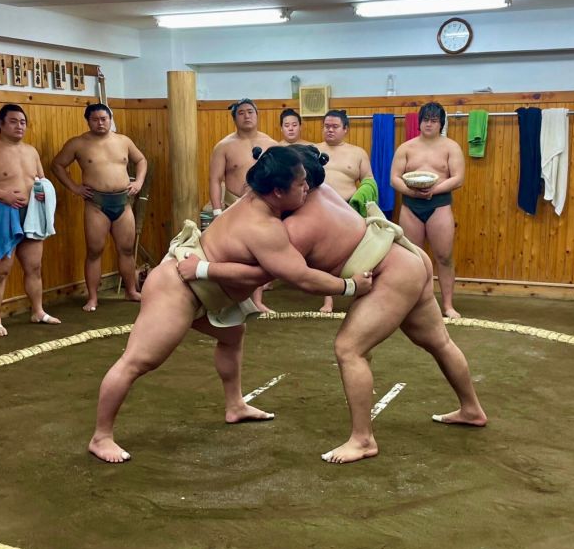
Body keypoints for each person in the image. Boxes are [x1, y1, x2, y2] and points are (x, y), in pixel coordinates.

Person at [183, 144, 487, 465]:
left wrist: (204, 269)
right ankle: (471, 409)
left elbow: (277, 273)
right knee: (438, 341)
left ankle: (363, 440)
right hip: (409, 257)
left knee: (349, 348)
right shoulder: (323, 191)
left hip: (390, 274)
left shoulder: (296, 226)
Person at [88, 146, 373, 463]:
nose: (307, 188)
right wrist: (349, 286)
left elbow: (265, 271)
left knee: (231, 336)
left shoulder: (257, 196)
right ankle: (101, 437)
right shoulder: (265, 229)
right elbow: (301, 277)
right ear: (278, 191)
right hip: (179, 289)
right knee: (138, 361)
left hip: (206, 288)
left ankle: (235, 405)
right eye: (301, 184)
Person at [0, 104, 60, 336]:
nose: (19, 126)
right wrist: (3, 195)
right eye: (13, 121)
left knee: (34, 267)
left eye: (22, 122)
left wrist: (43, 191)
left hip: (32, 213)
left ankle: (38, 311)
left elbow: (41, 178)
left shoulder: (31, 150)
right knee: (2, 270)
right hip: (4, 213)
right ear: (0, 124)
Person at [51, 103, 147, 312]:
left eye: (104, 118)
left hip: (123, 202)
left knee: (127, 250)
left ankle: (131, 291)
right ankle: (93, 298)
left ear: (110, 119)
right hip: (96, 204)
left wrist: (138, 182)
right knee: (95, 251)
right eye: (95, 119)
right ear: (88, 121)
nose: (100, 123)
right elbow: (57, 164)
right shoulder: (78, 143)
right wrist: (75, 188)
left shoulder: (123, 141)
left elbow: (141, 160)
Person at [390, 102, 465, 319]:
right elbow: (394, 178)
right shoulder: (406, 148)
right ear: (419, 122)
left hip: (439, 205)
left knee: (444, 256)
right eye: (425, 120)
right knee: (413, 258)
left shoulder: (451, 147)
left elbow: (458, 178)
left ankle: (448, 305)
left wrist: (433, 191)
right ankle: (414, 303)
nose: (429, 124)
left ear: (441, 123)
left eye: (434, 120)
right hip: (410, 205)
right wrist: (412, 193)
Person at [208, 98, 278, 312]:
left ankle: (256, 301)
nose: (247, 116)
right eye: (241, 113)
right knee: (229, 254)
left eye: (250, 112)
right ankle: (226, 300)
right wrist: (217, 210)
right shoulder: (224, 146)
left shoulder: (271, 144)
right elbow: (214, 179)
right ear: (234, 118)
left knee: (258, 255)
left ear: (257, 115)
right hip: (232, 204)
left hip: (261, 204)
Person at [315, 109, 376, 312]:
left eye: (334, 127)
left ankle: (362, 295)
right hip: (321, 209)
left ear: (345, 129)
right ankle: (327, 300)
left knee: (360, 255)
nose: (330, 130)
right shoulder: (313, 151)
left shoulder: (357, 153)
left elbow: (369, 180)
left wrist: (361, 196)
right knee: (323, 256)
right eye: (326, 126)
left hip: (349, 209)